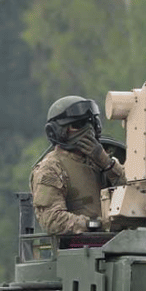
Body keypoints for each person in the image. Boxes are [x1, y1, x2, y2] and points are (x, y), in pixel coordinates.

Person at [30, 95, 126, 236]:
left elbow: (135, 192)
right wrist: (93, 224)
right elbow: (52, 220)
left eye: (91, 122)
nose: (88, 129)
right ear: (59, 131)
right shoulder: (51, 168)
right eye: (78, 125)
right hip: (78, 245)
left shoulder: (102, 160)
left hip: (119, 241)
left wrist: (107, 164)